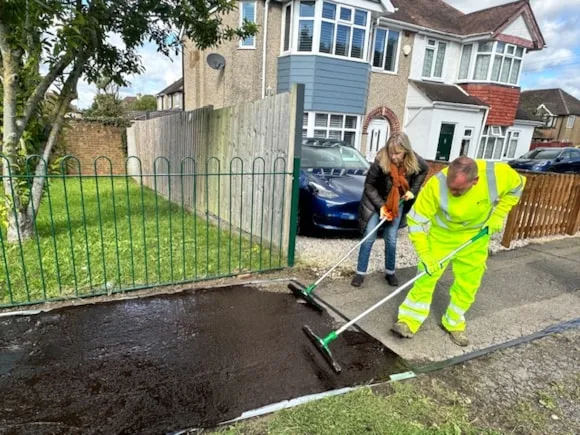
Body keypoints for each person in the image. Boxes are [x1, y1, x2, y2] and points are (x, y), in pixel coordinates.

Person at [391, 156, 526, 346]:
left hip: (474, 237)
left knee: (468, 284)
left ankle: (453, 322)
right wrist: (425, 254)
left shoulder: (497, 175)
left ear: (475, 181)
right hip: (442, 237)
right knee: (425, 277)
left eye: (458, 190)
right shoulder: (436, 185)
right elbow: (415, 222)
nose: (452, 192)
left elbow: (518, 185)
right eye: (451, 187)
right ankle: (408, 320)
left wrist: (498, 215)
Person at [351, 132, 428, 288]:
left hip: (396, 203)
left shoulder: (414, 160)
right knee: (369, 236)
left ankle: (390, 272)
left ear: (406, 150)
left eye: (397, 153)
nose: (393, 156)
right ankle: (360, 273)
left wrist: (413, 190)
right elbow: (369, 186)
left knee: (391, 238)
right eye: (391, 152)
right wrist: (381, 206)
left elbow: (424, 170)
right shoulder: (381, 161)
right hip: (375, 202)